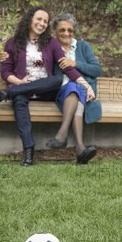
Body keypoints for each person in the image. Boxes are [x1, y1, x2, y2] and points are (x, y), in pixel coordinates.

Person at [0, 6, 95, 166]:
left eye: (45, 21)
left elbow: (66, 67)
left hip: (46, 89)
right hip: (23, 87)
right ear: (30, 19)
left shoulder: (51, 43)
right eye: (39, 19)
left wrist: (86, 86)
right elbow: (5, 71)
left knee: (56, 80)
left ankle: (9, 93)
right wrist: (18, 82)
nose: (42, 23)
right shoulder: (13, 43)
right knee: (19, 101)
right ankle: (28, 150)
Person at [44, 13, 102, 164]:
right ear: (55, 31)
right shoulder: (51, 48)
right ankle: (80, 148)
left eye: (70, 30)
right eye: (62, 30)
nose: (66, 33)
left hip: (84, 91)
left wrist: (75, 64)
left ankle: (65, 137)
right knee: (72, 88)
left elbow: (97, 70)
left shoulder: (83, 47)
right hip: (60, 92)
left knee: (75, 89)